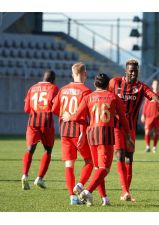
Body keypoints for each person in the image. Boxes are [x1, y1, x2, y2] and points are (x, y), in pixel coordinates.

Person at [62, 73, 133, 206]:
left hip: (91, 134)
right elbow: (123, 119)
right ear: (108, 85)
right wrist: (128, 136)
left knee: (97, 168)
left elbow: (77, 116)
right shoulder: (113, 97)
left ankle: (104, 199)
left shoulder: (88, 97)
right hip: (105, 134)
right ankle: (87, 191)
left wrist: (68, 116)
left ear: (95, 84)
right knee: (104, 169)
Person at [108, 59, 159, 201]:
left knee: (129, 159)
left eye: (135, 71)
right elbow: (105, 97)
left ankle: (126, 191)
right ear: (125, 71)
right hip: (117, 126)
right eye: (131, 71)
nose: (133, 74)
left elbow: (154, 96)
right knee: (119, 155)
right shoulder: (115, 83)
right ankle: (125, 191)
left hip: (130, 129)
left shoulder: (141, 87)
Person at [52, 63, 93, 205]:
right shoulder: (86, 91)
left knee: (69, 165)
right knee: (90, 161)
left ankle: (73, 198)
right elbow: (85, 114)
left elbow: (55, 109)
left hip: (65, 131)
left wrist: (65, 115)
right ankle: (80, 185)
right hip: (79, 131)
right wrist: (83, 132)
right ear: (84, 74)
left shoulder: (63, 90)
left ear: (72, 73)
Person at [21, 70, 59, 190]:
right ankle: (40, 178)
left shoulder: (32, 88)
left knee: (30, 149)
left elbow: (26, 108)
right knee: (48, 150)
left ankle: (25, 175)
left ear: (43, 77)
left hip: (33, 120)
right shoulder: (53, 88)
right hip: (46, 121)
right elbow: (56, 107)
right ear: (53, 80)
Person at [141, 79, 159, 153]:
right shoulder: (149, 94)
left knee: (156, 132)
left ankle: (154, 147)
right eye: (154, 84)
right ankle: (147, 146)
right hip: (149, 116)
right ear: (152, 85)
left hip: (157, 116)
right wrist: (143, 114)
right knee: (147, 131)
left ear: (158, 85)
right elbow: (145, 105)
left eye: (157, 84)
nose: (156, 85)